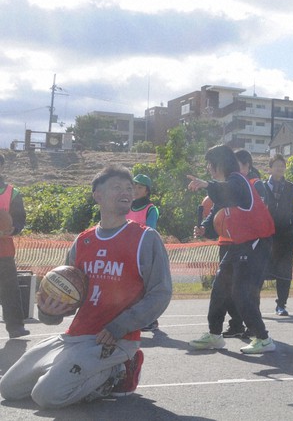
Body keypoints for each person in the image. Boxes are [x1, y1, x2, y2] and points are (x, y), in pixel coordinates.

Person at [0, 165, 172, 408]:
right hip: (75, 337)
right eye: (117, 187)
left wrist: (119, 327)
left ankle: (119, 372)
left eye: (129, 188)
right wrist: (50, 311)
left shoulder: (146, 238)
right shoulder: (83, 241)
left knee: (46, 396)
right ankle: (70, 372)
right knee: (9, 388)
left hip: (114, 339)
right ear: (97, 195)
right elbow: (69, 297)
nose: (126, 191)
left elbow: (161, 293)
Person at [187, 145, 276, 354]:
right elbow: (218, 209)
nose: (208, 168)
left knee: (240, 291)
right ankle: (215, 335)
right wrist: (205, 228)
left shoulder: (238, 181)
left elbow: (228, 193)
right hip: (239, 243)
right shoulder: (226, 185)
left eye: (210, 164)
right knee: (220, 287)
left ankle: (263, 338)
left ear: (221, 163)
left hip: (257, 243)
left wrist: (206, 185)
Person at [263, 154, 293, 317]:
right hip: (265, 236)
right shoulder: (261, 187)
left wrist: (288, 228)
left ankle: (281, 305)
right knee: (259, 269)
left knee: (284, 271)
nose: (280, 168)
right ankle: (253, 304)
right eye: (276, 165)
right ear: (269, 168)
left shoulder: (291, 188)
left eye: (282, 166)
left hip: (285, 236)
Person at [126, 173, 160, 332]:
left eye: (140, 187)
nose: (136, 190)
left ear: (147, 191)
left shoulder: (151, 209)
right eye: (134, 186)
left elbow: (150, 231)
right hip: (128, 252)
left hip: (144, 251)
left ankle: (151, 320)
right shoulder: (127, 206)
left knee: (146, 287)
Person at [0, 154, 29, 339]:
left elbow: (20, 220)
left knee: (9, 289)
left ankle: (15, 326)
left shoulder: (13, 192)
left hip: (4, 251)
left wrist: (12, 229)